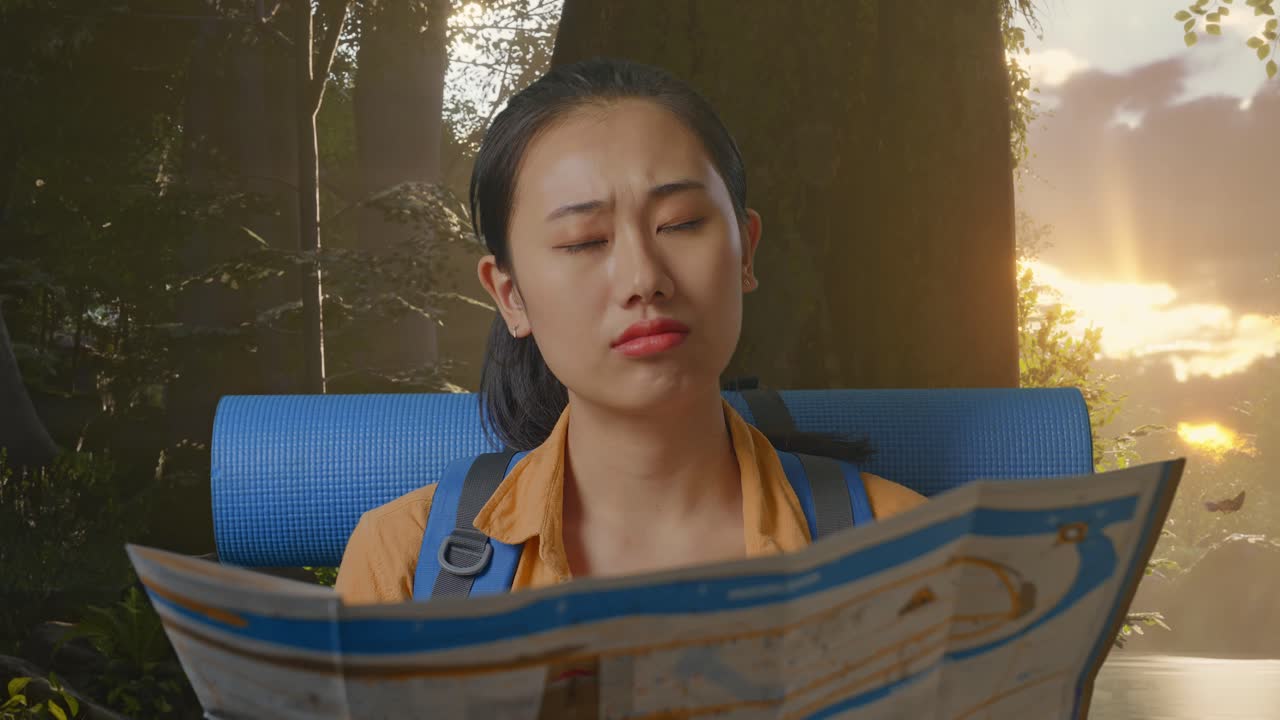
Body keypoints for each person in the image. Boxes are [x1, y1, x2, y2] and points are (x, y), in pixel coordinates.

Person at [335, 57, 926, 605]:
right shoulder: (405, 564)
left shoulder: (910, 554)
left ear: (746, 250)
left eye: (681, 223)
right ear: (510, 296)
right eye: (584, 241)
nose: (644, 278)